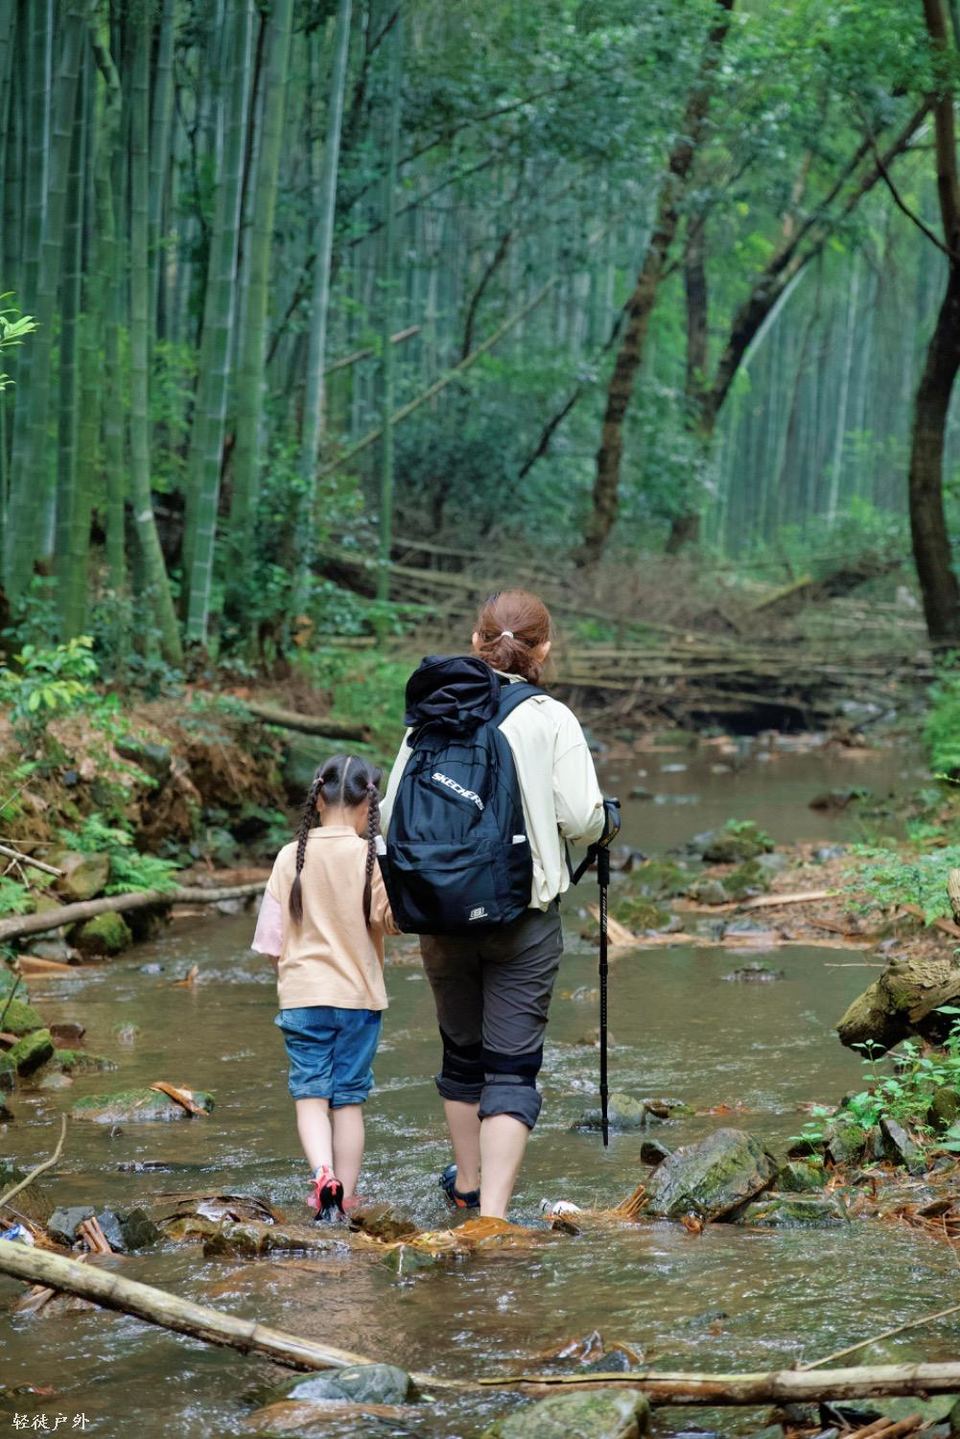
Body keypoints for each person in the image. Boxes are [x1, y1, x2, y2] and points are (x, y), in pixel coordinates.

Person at [380, 589, 605, 1220]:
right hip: (521, 915)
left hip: (439, 913)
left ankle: (467, 1184)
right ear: (544, 649)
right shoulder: (550, 717)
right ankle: (493, 1218)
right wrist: (605, 823)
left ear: (477, 641)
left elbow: (392, 813)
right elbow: (580, 818)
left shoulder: (431, 711)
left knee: (461, 1055)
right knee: (511, 1067)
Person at [252, 754, 397, 1221]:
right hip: (357, 998)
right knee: (349, 1099)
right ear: (368, 805)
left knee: (310, 1097)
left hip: (302, 997)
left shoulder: (288, 856)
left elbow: (270, 942)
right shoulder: (370, 857)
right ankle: (346, 1197)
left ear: (317, 799)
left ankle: (322, 1176)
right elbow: (391, 922)